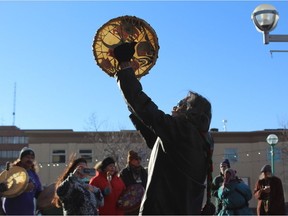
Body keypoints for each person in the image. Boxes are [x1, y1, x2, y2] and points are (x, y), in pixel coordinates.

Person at [112, 42, 214, 215]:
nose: (175, 106)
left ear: (191, 113)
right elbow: (156, 139)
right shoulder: (200, 139)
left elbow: (147, 111)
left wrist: (125, 67)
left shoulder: (183, 131)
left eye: (181, 103)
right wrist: (131, 93)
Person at [2, 147, 43, 215]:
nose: (30, 159)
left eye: (32, 158)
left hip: (29, 211)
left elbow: (38, 193)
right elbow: (4, 189)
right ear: (21, 158)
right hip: (13, 211)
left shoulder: (34, 174)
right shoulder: (13, 171)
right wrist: (23, 188)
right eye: (27, 157)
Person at [119, 150, 148, 215]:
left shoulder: (143, 171)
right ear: (131, 161)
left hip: (142, 201)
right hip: (130, 203)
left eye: (139, 159)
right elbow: (123, 188)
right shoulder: (124, 172)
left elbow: (146, 184)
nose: (139, 161)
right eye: (136, 159)